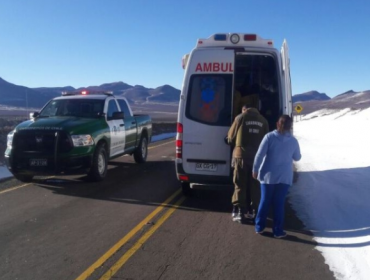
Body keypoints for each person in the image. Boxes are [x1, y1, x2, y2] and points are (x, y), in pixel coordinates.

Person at [252, 115, 301, 238]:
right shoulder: (293, 141)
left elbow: (259, 155)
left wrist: (255, 169)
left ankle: (259, 227)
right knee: (279, 203)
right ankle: (278, 231)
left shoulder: (269, 137)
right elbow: (297, 157)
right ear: (290, 126)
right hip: (284, 176)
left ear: (277, 124)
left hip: (268, 175)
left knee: (264, 201)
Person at [227, 105, 269, 223]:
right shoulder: (263, 120)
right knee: (255, 185)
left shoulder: (240, 118)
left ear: (244, 109)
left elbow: (230, 138)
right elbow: (267, 139)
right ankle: (255, 211)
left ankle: (241, 212)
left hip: (241, 157)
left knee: (240, 183)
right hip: (257, 158)